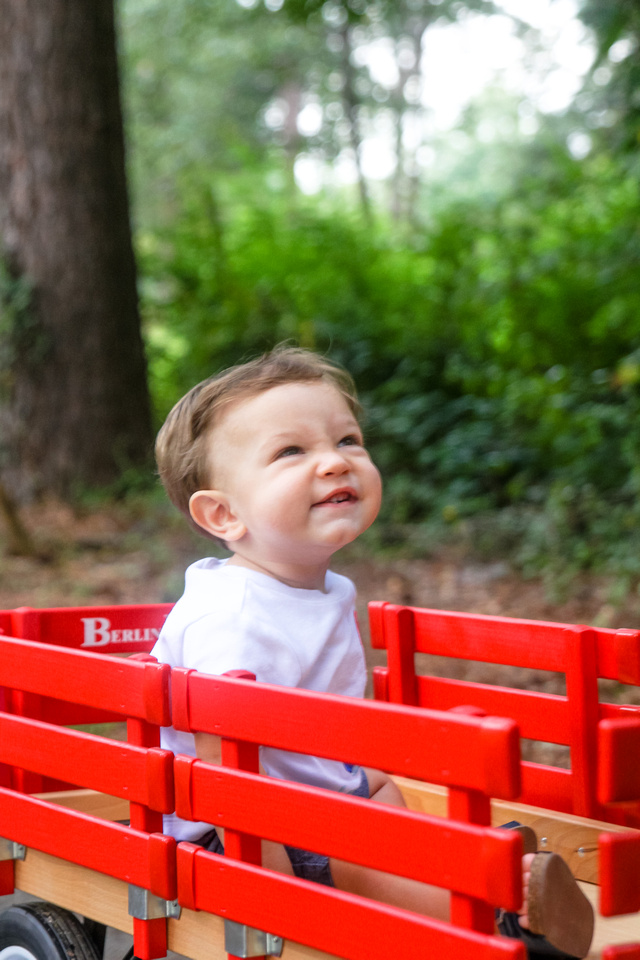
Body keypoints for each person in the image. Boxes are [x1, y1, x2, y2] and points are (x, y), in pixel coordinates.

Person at [152, 345, 593, 959]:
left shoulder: (331, 591)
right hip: (242, 831)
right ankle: (497, 913)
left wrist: (400, 820)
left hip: (328, 804)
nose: (335, 462)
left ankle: (489, 881)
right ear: (224, 513)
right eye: (291, 451)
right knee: (388, 877)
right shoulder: (228, 619)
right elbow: (220, 767)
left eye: (348, 441)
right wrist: (268, 894)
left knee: (408, 844)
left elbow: (352, 743)